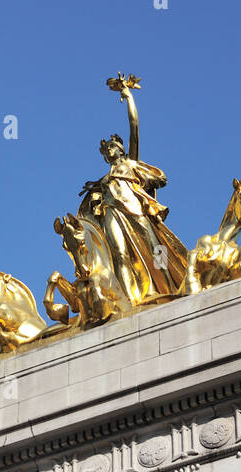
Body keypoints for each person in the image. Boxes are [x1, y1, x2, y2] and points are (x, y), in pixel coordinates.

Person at [77, 73, 186, 303]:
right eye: (106, 149)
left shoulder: (131, 163)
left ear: (122, 149)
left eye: (113, 146)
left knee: (157, 251)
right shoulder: (104, 180)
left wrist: (127, 96)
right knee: (119, 254)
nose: (109, 150)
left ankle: (167, 289)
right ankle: (128, 302)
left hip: (136, 210)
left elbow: (134, 125)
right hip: (113, 212)